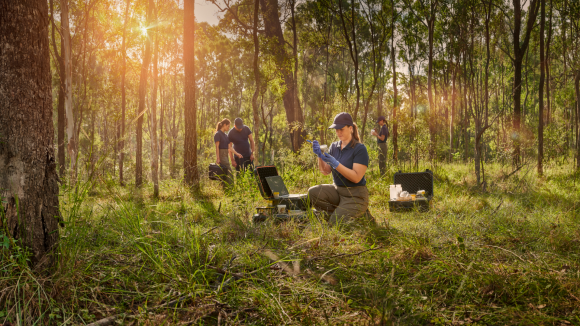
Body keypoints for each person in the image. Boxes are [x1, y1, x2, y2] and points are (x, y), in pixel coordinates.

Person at [308, 112, 373, 226]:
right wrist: (320, 156)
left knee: (335, 223)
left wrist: (336, 163)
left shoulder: (360, 149)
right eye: (336, 129)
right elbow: (326, 171)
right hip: (338, 191)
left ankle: (359, 214)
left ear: (350, 128)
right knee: (313, 192)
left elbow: (357, 178)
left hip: (356, 195)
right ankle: (339, 213)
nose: (338, 132)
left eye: (341, 129)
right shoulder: (334, 146)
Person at [214, 119, 241, 187]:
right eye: (228, 126)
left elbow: (230, 148)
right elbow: (217, 147)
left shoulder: (226, 136)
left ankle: (224, 188)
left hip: (226, 155)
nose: (229, 128)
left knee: (224, 172)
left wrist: (237, 154)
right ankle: (231, 188)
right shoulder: (218, 134)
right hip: (221, 155)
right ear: (224, 125)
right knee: (229, 172)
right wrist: (218, 158)